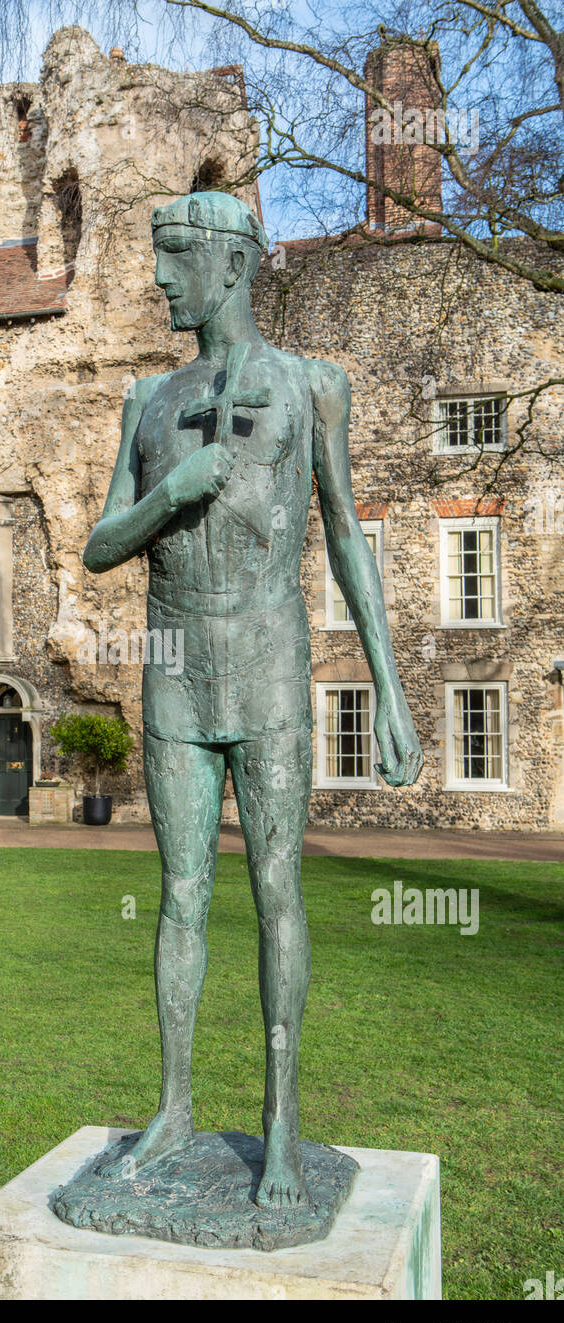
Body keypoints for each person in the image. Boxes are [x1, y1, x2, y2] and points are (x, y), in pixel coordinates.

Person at [83, 192, 422, 1207]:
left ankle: (282, 1123)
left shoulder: (312, 386)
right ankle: (176, 1106)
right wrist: (171, 490)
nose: (159, 278)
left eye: (175, 258)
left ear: (230, 263)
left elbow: (350, 538)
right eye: (158, 257)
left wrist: (390, 687)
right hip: (177, 664)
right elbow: (103, 545)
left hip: (272, 664)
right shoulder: (148, 399)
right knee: (184, 892)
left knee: (278, 889)